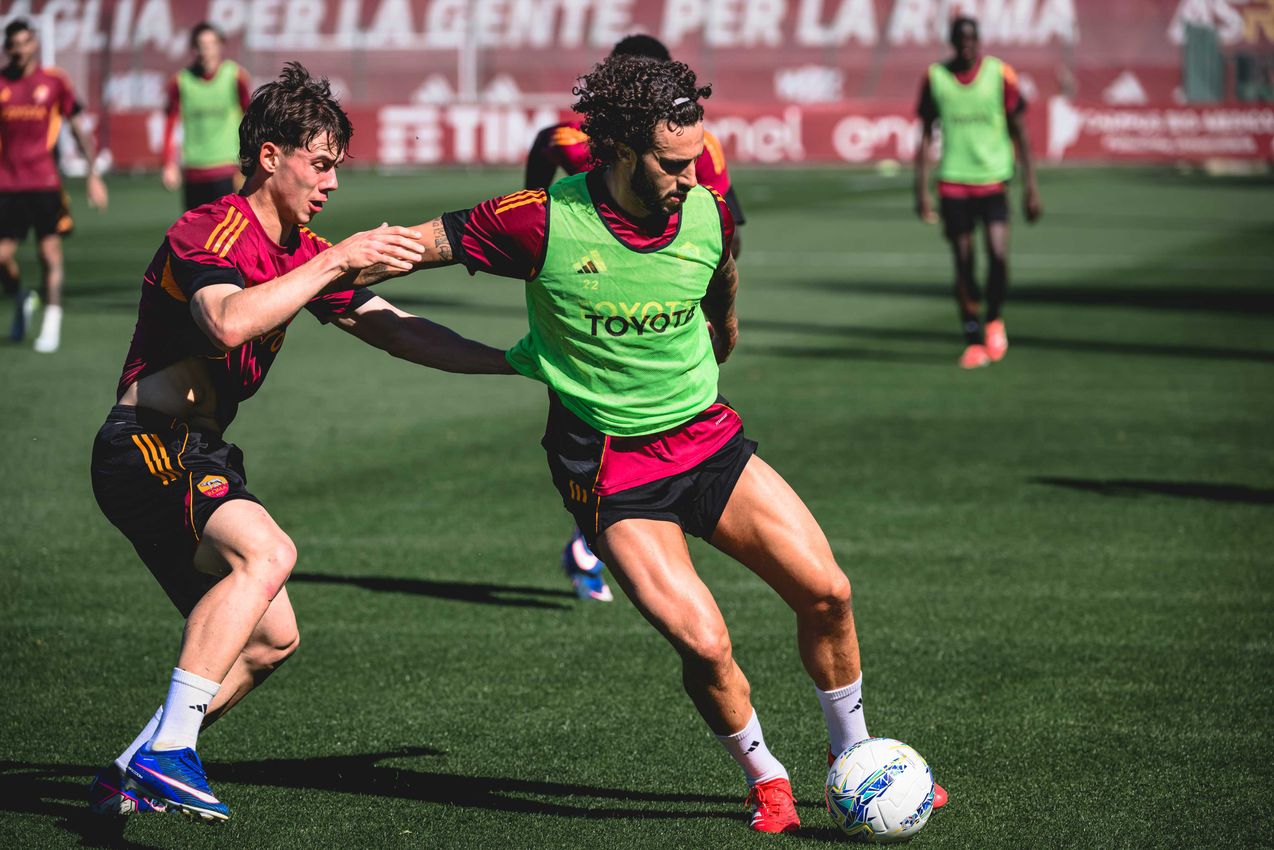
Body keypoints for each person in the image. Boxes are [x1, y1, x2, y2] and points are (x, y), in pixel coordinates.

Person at [384, 55, 947, 833]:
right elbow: (416, 245)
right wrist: (322, 266)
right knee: (707, 644)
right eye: (673, 164)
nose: (694, 176)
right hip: (613, 470)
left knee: (829, 593)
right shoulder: (541, 219)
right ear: (616, 147)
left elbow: (720, 275)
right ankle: (767, 778)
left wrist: (728, 326)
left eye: (696, 158)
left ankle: (852, 754)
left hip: (708, 443)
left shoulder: (706, 212)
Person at [88, 62, 513, 822]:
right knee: (269, 553)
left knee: (271, 639)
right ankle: (167, 752)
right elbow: (226, 320)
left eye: (337, 168)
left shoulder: (301, 251)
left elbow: (398, 331)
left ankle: (131, 767)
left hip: (200, 451)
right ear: (270, 156)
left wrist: (515, 361)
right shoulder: (212, 227)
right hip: (145, 444)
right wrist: (334, 259)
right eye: (321, 164)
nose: (333, 184)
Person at [524, 33, 748, 603]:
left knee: (671, 431)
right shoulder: (577, 139)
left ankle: (610, 539)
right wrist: (538, 226)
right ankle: (595, 539)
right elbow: (542, 153)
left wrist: (696, 289)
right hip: (596, 310)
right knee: (607, 426)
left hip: (671, 317)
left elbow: (726, 227)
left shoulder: (700, 149)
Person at [914, 15, 1041, 369]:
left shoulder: (1001, 75)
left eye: (972, 38)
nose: (967, 44)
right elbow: (925, 134)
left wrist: (1032, 185)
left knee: (998, 257)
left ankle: (994, 319)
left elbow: (1020, 129)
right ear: (953, 42)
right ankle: (972, 338)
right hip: (953, 181)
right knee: (963, 263)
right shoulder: (935, 77)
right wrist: (920, 189)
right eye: (960, 38)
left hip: (994, 179)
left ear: (979, 40)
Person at [0, 18, 107, 353]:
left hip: (44, 182)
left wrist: (92, 172)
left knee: (49, 253)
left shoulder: (54, 82)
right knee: (2, 257)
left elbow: (77, 126)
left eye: (24, 42)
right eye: (13, 44)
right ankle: (20, 298)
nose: (19, 49)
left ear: (35, 44)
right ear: (7, 48)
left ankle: (51, 321)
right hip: (6, 183)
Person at [162, 22, 251, 212]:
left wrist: (248, 161)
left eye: (211, 44)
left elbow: (250, 119)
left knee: (228, 232)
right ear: (194, 49)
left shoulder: (235, 76)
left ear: (220, 46)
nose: (206, 51)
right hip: (194, 169)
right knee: (194, 235)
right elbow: (170, 123)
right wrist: (169, 163)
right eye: (201, 45)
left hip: (227, 168)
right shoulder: (181, 81)